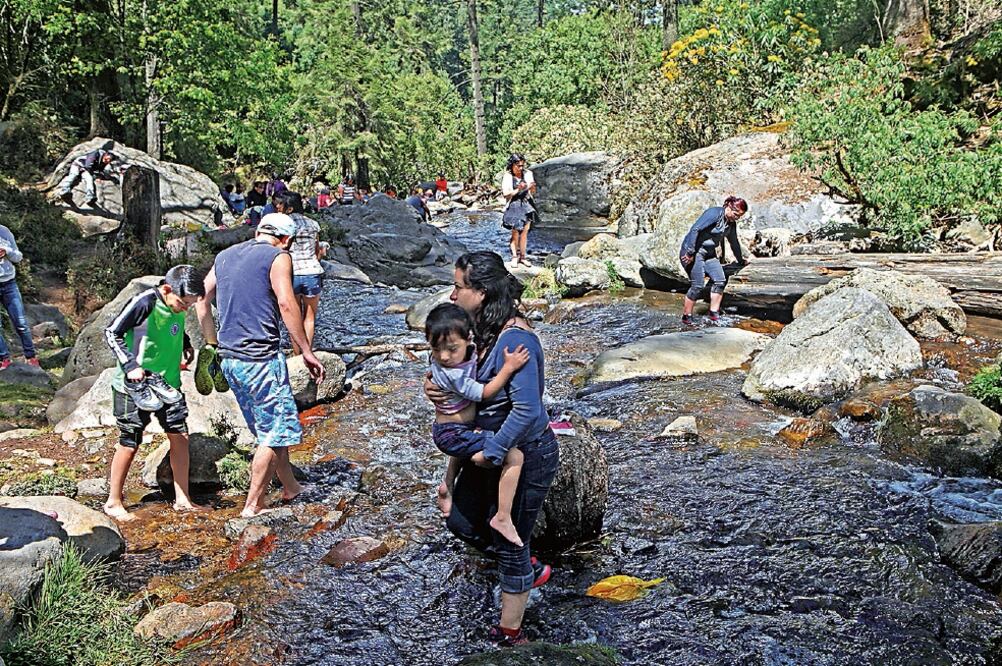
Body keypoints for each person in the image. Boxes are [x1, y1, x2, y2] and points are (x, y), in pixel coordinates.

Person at [425, 251, 559, 647]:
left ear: (481, 292)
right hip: (485, 450)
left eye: (458, 286)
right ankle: (526, 569)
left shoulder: (516, 340)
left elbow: (528, 411)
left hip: (522, 454)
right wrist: (435, 391)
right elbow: (464, 401)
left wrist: (495, 452)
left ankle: (511, 636)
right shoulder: (479, 331)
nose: (452, 295)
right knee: (461, 523)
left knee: (510, 538)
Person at [196, 213, 325, 518]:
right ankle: (253, 506)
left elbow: (201, 299)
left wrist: (212, 343)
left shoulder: (225, 255)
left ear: (258, 231)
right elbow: (285, 303)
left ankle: (291, 486)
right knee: (273, 433)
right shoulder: (278, 257)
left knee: (270, 429)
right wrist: (305, 350)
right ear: (287, 240)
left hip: (230, 361)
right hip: (261, 359)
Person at [102, 265, 207, 520]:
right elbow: (112, 333)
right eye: (183, 303)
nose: (185, 308)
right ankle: (114, 501)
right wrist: (130, 365)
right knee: (130, 441)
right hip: (134, 386)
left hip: (168, 383)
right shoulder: (144, 302)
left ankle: (183, 499)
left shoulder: (177, 304)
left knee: (180, 435)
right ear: (167, 289)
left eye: (190, 305)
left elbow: (175, 325)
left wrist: (185, 344)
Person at [426, 303, 530, 547]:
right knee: (514, 457)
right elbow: (484, 392)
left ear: (468, 338)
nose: (443, 356)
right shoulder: (454, 373)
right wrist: (508, 368)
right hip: (452, 434)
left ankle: (447, 486)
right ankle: (503, 517)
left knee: (471, 441)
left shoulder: (459, 354)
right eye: (436, 349)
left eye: (452, 349)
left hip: (454, 431)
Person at [679, 196, 750, 325]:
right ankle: (686, 316)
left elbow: (734, 243)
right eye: (735, 214)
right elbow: (695, 229)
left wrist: (740, 261)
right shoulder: (714, 213)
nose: (736, 218)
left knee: (720, 280)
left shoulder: (731, 224)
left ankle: (713, 314)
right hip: (694, 252)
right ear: (728, 207)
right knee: (698, 285)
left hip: (709, 254)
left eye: (739, 216)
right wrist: (690, 252)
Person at [275, 192, 324, 355]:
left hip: (291, 274)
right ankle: (308, 354)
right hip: (312, 272)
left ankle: (297, 355)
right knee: (309, 318)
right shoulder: (313, 224)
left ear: (289, 207)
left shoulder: (284, 224)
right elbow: (317, 252)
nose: (278, 207)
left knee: (293, 318)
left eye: (280, 204)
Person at [0, 225, 37, 370]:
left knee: (21, 323)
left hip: (9, 284)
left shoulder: (4, 231)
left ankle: (31, 356)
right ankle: (4, 358)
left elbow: (18, 257)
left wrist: (7, 251)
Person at [500, 154, 536, 268]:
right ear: (512, 165)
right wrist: (518, 189)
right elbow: (506, 194)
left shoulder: (528, 174)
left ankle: (523, 257)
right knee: (515, 232)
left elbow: (533, 192)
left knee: (525, 232)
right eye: (518, 166)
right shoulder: (508, 176)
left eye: (522, 166)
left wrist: (532, 187)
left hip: (526, 204)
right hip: (514, 204)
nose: (520, 168)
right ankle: (514, 257)